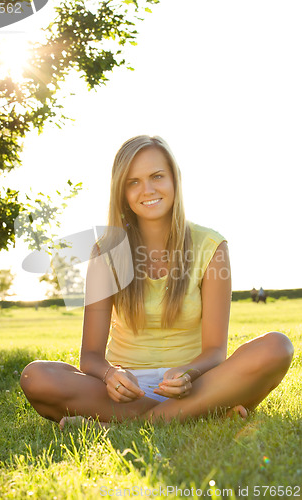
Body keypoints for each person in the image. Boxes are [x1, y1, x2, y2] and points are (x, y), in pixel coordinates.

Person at [20, 135, 294, 428]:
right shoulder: (106, 251)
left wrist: (188, 374)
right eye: (133, 182)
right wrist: (111, 376)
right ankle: (199, 416)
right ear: (121, 191)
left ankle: (130, 425)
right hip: (125, 391)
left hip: (195, 384)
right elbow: (90, 357)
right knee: (35, 376)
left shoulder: (211, 246)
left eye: (157, 176)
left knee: (277, 346)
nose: (147, 190)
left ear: (174, 179)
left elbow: (215, 351)